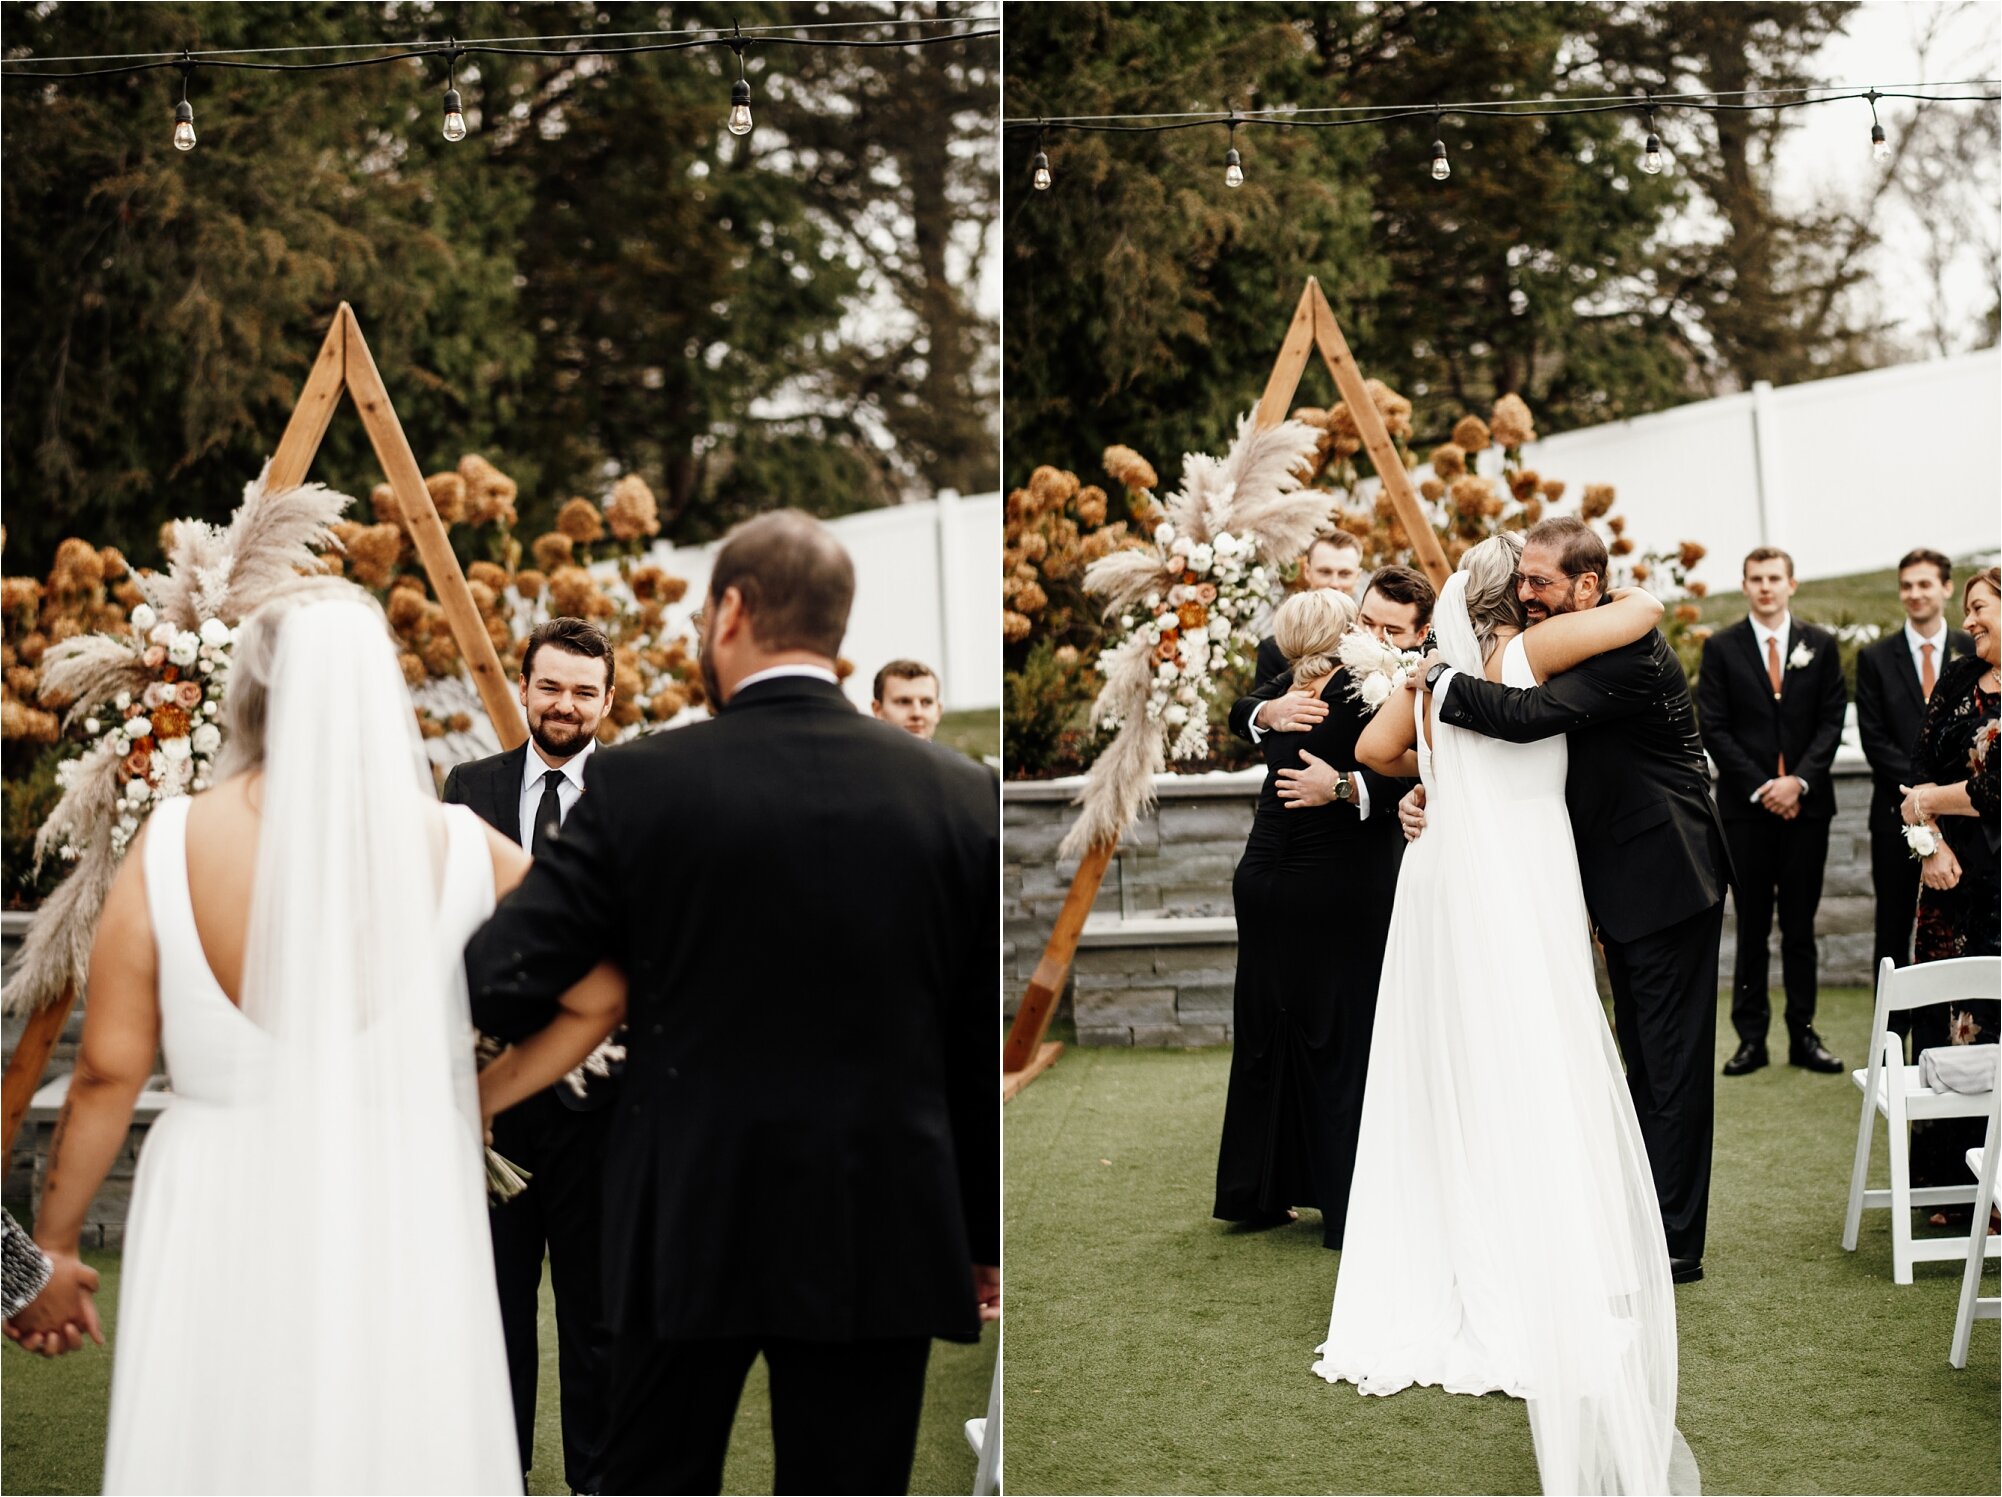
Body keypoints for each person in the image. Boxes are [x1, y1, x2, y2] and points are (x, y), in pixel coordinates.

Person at [4, 582, 624, 1493]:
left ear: (247, 695)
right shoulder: (460, 840)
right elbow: (602, 989)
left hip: (220, 1186)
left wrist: (50, 1250)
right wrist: (473, 1103)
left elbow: (106, 1072)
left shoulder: (173, 840)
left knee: (228, 1436)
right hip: (401, 1181)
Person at [465, 510, 999, 1497]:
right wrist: (980, 1237)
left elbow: (502, 971)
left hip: (683, 1218)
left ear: (731, 613)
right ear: (837, 630)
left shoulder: (637, 785)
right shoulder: (960, 794)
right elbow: (976, 1042)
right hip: (879, 1222)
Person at [1314, 533, 1690, 1496]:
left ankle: (1450, 1235)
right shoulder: (1522, 658)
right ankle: (1531, 1247)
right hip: (1521, 884)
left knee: (1451, 1064)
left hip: (1443, 884)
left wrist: (1430, 776)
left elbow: (1367, 752)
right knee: (1530, 1056)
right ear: (1510, 604)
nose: (1535, 596)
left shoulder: (1435, 674)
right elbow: (1638, 612)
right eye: (1524, 584)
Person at [1427, 516, 1729, 1283]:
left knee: (1669, 1065)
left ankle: (1674, 1244)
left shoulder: (1620, 644)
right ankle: (1644, 1218)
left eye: (1540, 582)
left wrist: (1439, 681)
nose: (1527, 595)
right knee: (1642, 1058)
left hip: (1666, 877)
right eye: (1520, 580)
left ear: (1588, 586)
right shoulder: (1596, 626)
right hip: (1622, 882)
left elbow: (1528, 719)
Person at [442, 615, 621, 1494]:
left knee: (596, 1315)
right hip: (492, 1096)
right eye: (551, 685)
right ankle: (497, 1472)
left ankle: (593, 1479)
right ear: (525, 687)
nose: (566, 704)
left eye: (585, 690)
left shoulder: (633, 789)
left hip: (603, 1101)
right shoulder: (465, 785)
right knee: (497, 1308)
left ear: (608, 700)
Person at [1213, 589, 1405, 1248]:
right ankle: (1345, 1200)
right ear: (1348, 629)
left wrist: (1266, 711)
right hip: (1330, 881)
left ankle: (1257, 1188)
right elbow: (1411, 768)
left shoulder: (1291, 688)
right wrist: (1350, 785)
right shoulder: (1362, 688)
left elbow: (1245, 708)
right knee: (1338, 1033)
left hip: (1266, 876)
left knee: (1273, 1025)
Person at [1695, 548, 1846, 1077]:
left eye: (1774, 578)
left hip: (1807, 808)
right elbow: (1713, 725)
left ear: (1791, 584)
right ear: (1744, 585)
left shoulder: (1820, 645)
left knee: (1800, 927)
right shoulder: (1721, 648)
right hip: (1747, 811)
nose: (1765, 587)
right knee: (1753, 926)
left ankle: (1804, 1036)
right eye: (1756, 579)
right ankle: (1750, 1041)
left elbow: (1831, 720)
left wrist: (1798, 781)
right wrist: (1763, 785)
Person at [1901, 565, 2000, 1215]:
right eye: (1966, 607)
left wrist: (1931, 799)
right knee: (1944, 1025)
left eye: (1981, 607)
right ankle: (1944, 1186)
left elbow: (1994, 790)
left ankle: (1995, 1189)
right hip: (1948, 887)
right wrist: (1930, 844)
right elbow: (1915, 775)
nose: (1968, 620)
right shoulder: (1961, 677)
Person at [1855, 549, 1975, 985]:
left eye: (1925, 584)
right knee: (1892, 929)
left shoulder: (1973, 650)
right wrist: (1921, 796)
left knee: (1960, 927)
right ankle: (1890, 1037)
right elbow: (1875, 741)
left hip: (1964, 814)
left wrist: (1948, 797)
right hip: (1894, 815)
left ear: (1945, 588)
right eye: (1907, 585)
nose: (1915, 593)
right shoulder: (1875, 658)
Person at [1228, 565, 1435, 811]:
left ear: (1422, 634)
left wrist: (1342, 786)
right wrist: (1268, 712)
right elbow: (1241, 712)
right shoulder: (1336, 660)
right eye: (1366, 622)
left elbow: (1430, 771)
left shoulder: (1425, 679)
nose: (1373, 637)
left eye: (1392, 631)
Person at [1245, 532, 1371, 690]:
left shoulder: (1373, 639)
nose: (1334, 583)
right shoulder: (1274, 648)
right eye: (1325, 572)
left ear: (1357, 577)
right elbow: (1260, 704)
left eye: (1345, 574)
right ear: (1307, 572)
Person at [872, 659, 944, 740]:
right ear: (877, 709)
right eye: (904, 702)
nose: (917, 713)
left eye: (926, 702)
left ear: (938, 711)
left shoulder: (950, 753)